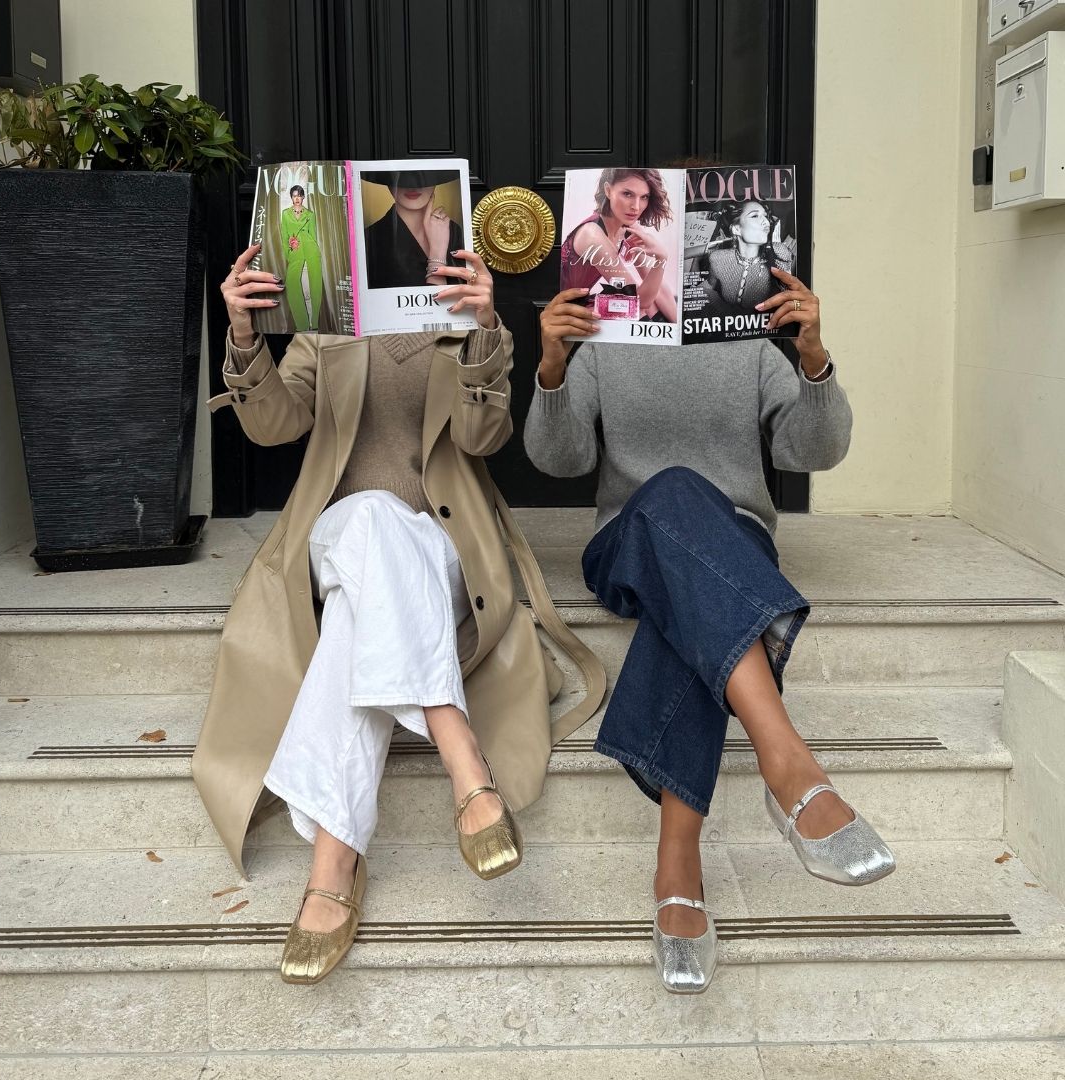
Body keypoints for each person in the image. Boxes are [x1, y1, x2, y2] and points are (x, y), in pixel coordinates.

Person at [193, 241, 603, 987]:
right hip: (340, 539)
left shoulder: (462, 326)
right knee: (372, 517)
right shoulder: (330, 329)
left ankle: (334, 863)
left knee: (366, 594)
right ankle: (463, 761)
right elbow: (271, 427)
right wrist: (246, 336)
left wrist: (484, 328)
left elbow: (484, 439)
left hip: (439, 553)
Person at [524, 267, 894, 996]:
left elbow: (812, 453)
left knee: (689, 616)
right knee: (673, 489)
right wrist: (552, 366)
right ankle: (787, 761)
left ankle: (677, 862)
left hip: (732, 549)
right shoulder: (606, 336)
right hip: (626, 543)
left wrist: (813, 357)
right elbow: (557, 460)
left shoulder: (751, 342)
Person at [561, 168, 678, 323]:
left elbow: (657, 286)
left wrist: (679, 328)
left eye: (644, 197)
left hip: (589, 302)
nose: (636, 207)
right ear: (608, 190)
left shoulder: (628, 228)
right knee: (639, 304)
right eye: (627, 194)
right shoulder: (592, 235)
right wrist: (661, 258)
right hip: (568, 310)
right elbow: (639, 303)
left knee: (648, 292)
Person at [362, 169, 466, 288]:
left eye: (422, 176)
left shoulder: (454, 230)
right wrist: (437, 259)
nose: (412, 187)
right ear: (388, 182)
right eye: (403, 178)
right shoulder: (369, 239)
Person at [694, 200, 797, 312]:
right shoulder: (718, 258)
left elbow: (789, 294)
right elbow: (708, 287)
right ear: (736, 229)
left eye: (765, 216)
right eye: (755, 216)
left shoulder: (778, 253)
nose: (766, 222)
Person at [280, 185, 323, 331]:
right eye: (294, 196)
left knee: (316, 284)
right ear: (291, 197)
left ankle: (316, 322)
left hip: (311, 249)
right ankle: (302, 324)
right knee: (291, 285)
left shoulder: (310, 214)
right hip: (295, 250)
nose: (297, 198)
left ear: (303, 197)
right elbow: (284, 235)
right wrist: (289, 253)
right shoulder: (285, 214)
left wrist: (315, 250)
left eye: (299, 195)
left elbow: (314, 234)